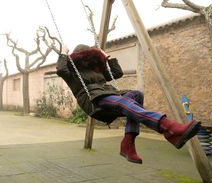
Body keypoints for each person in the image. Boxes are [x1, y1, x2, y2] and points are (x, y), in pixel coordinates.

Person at [56, 44, 201, 164]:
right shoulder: (72, 73)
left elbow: (117, 73)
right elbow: (61, 69)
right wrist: (63, 53)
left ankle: (128, 142)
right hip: (92, 100)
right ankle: (168, 127)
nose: (87, 62)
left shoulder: (97, 73)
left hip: (108, 95)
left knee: (137, 95)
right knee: (124, 101)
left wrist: (106, 57)